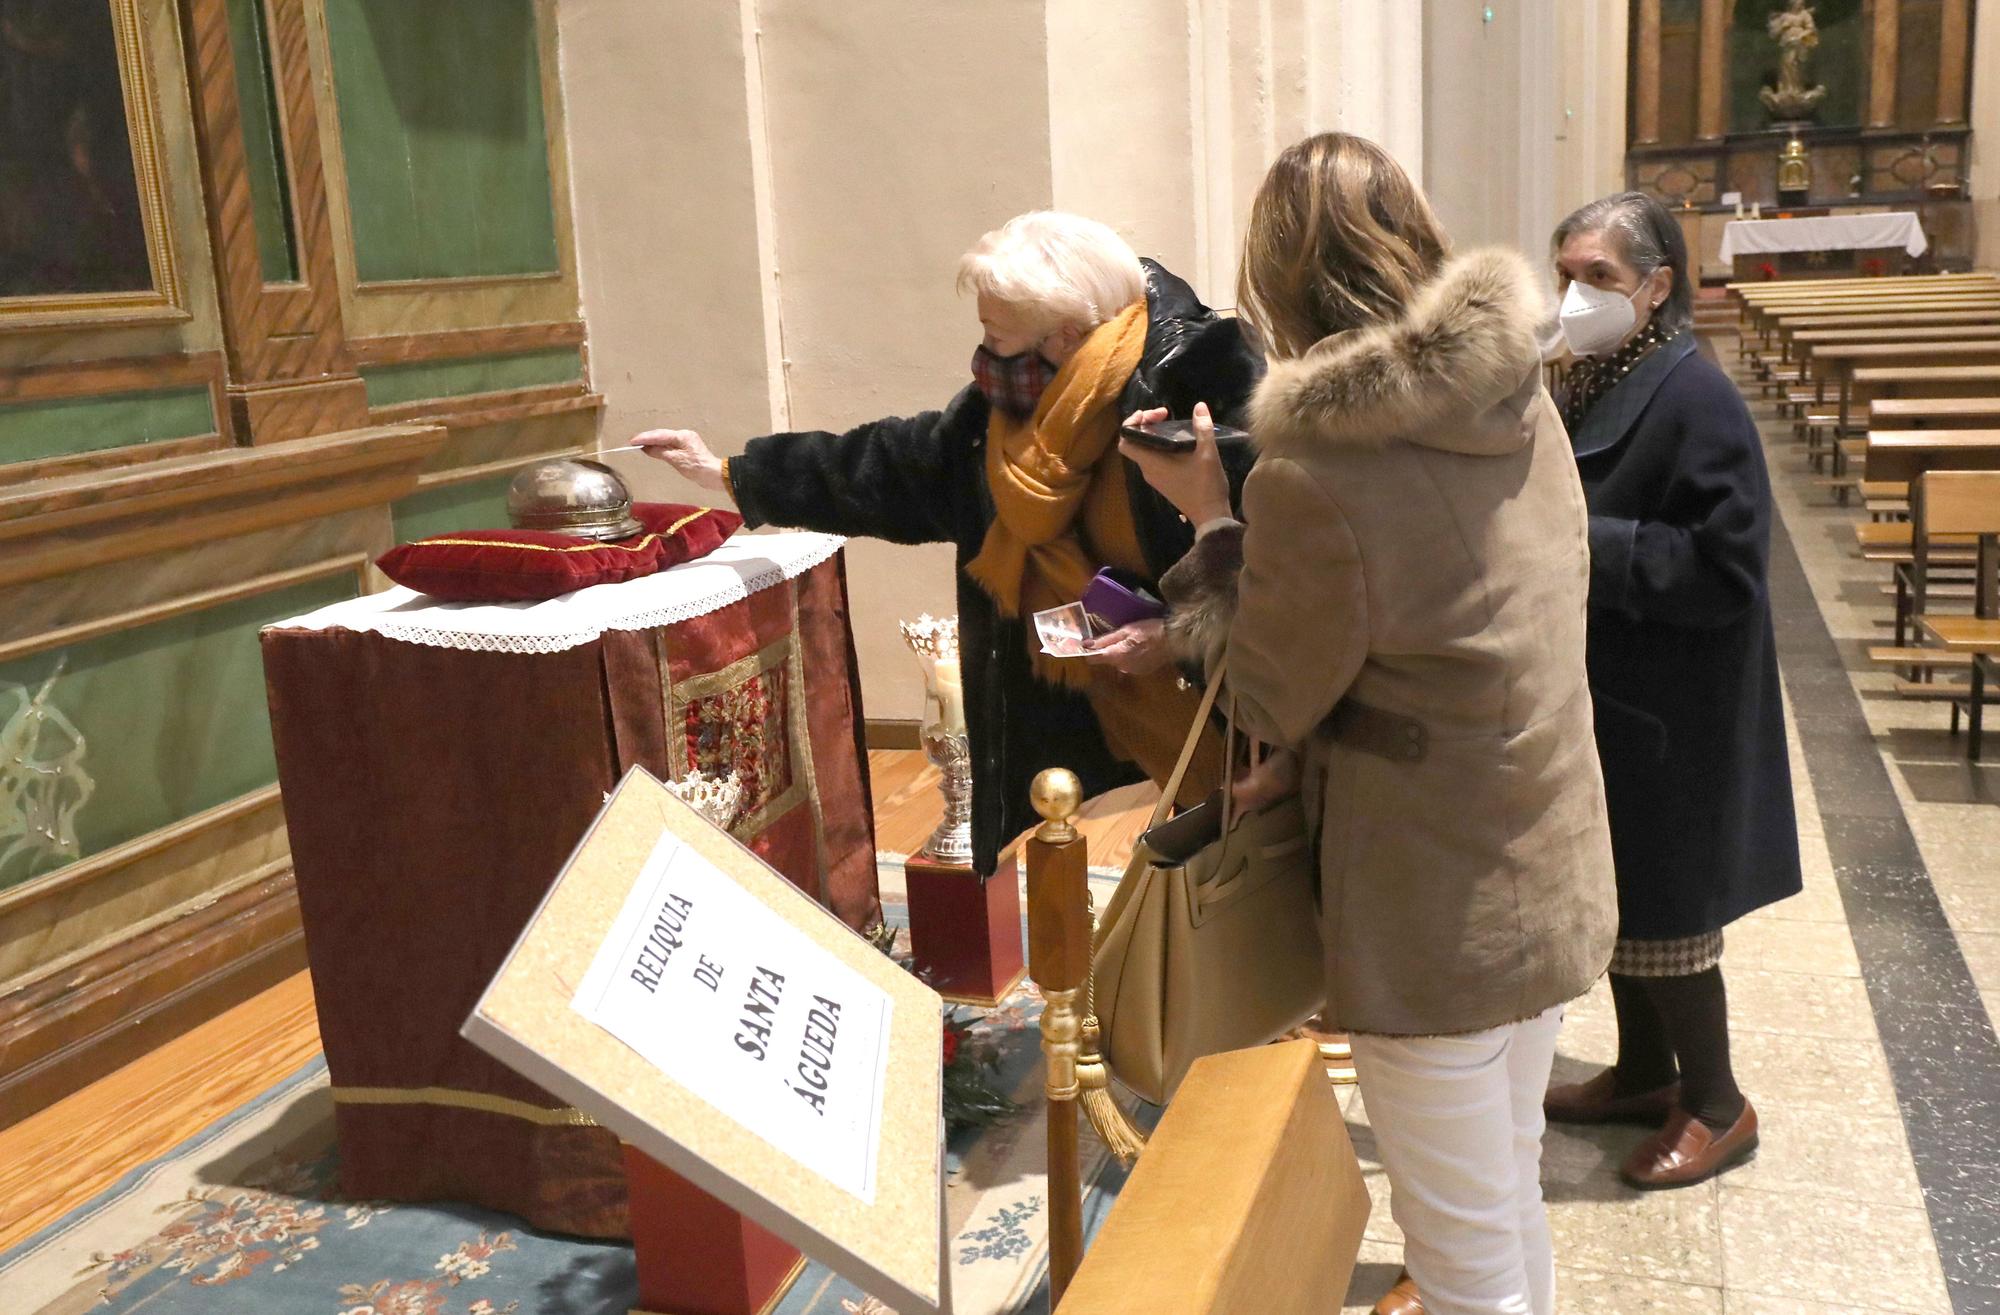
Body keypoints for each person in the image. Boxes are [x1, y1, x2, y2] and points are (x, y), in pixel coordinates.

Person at [1123, 132, 1616, 1315]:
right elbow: (1465, 626)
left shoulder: (1311, 471)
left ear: (1276, 277)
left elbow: (1261, 690)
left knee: (1455, 1251)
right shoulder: (1518, 393)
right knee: (1505, 1191)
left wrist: (1208, 524)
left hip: (1430, 904)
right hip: (1542, 849)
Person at [629, 212, 1261, 878]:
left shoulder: (1201, 379)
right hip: (1125, 721)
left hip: (1240, 718)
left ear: (1066, 336)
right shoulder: (1011, 411)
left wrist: (1175, 632)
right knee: (1195, 891)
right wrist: (732, 473)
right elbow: (888, 468)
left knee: (1261, 888)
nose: (983, 352)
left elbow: (1284, 566)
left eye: (995, 333)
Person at [1540, 192, 1801, 1188]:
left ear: (1655, 286)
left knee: (1669, 913)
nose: (1573, 294)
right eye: (1564, 272)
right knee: (1618, 899)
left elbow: (1726, 567)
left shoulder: (1694, 395)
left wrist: (1579, 546)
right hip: (1609, 683)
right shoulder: (1596, 375)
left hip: (1673, 698)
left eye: (1597, 277)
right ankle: (1645, 1072)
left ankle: (1715, 1100)